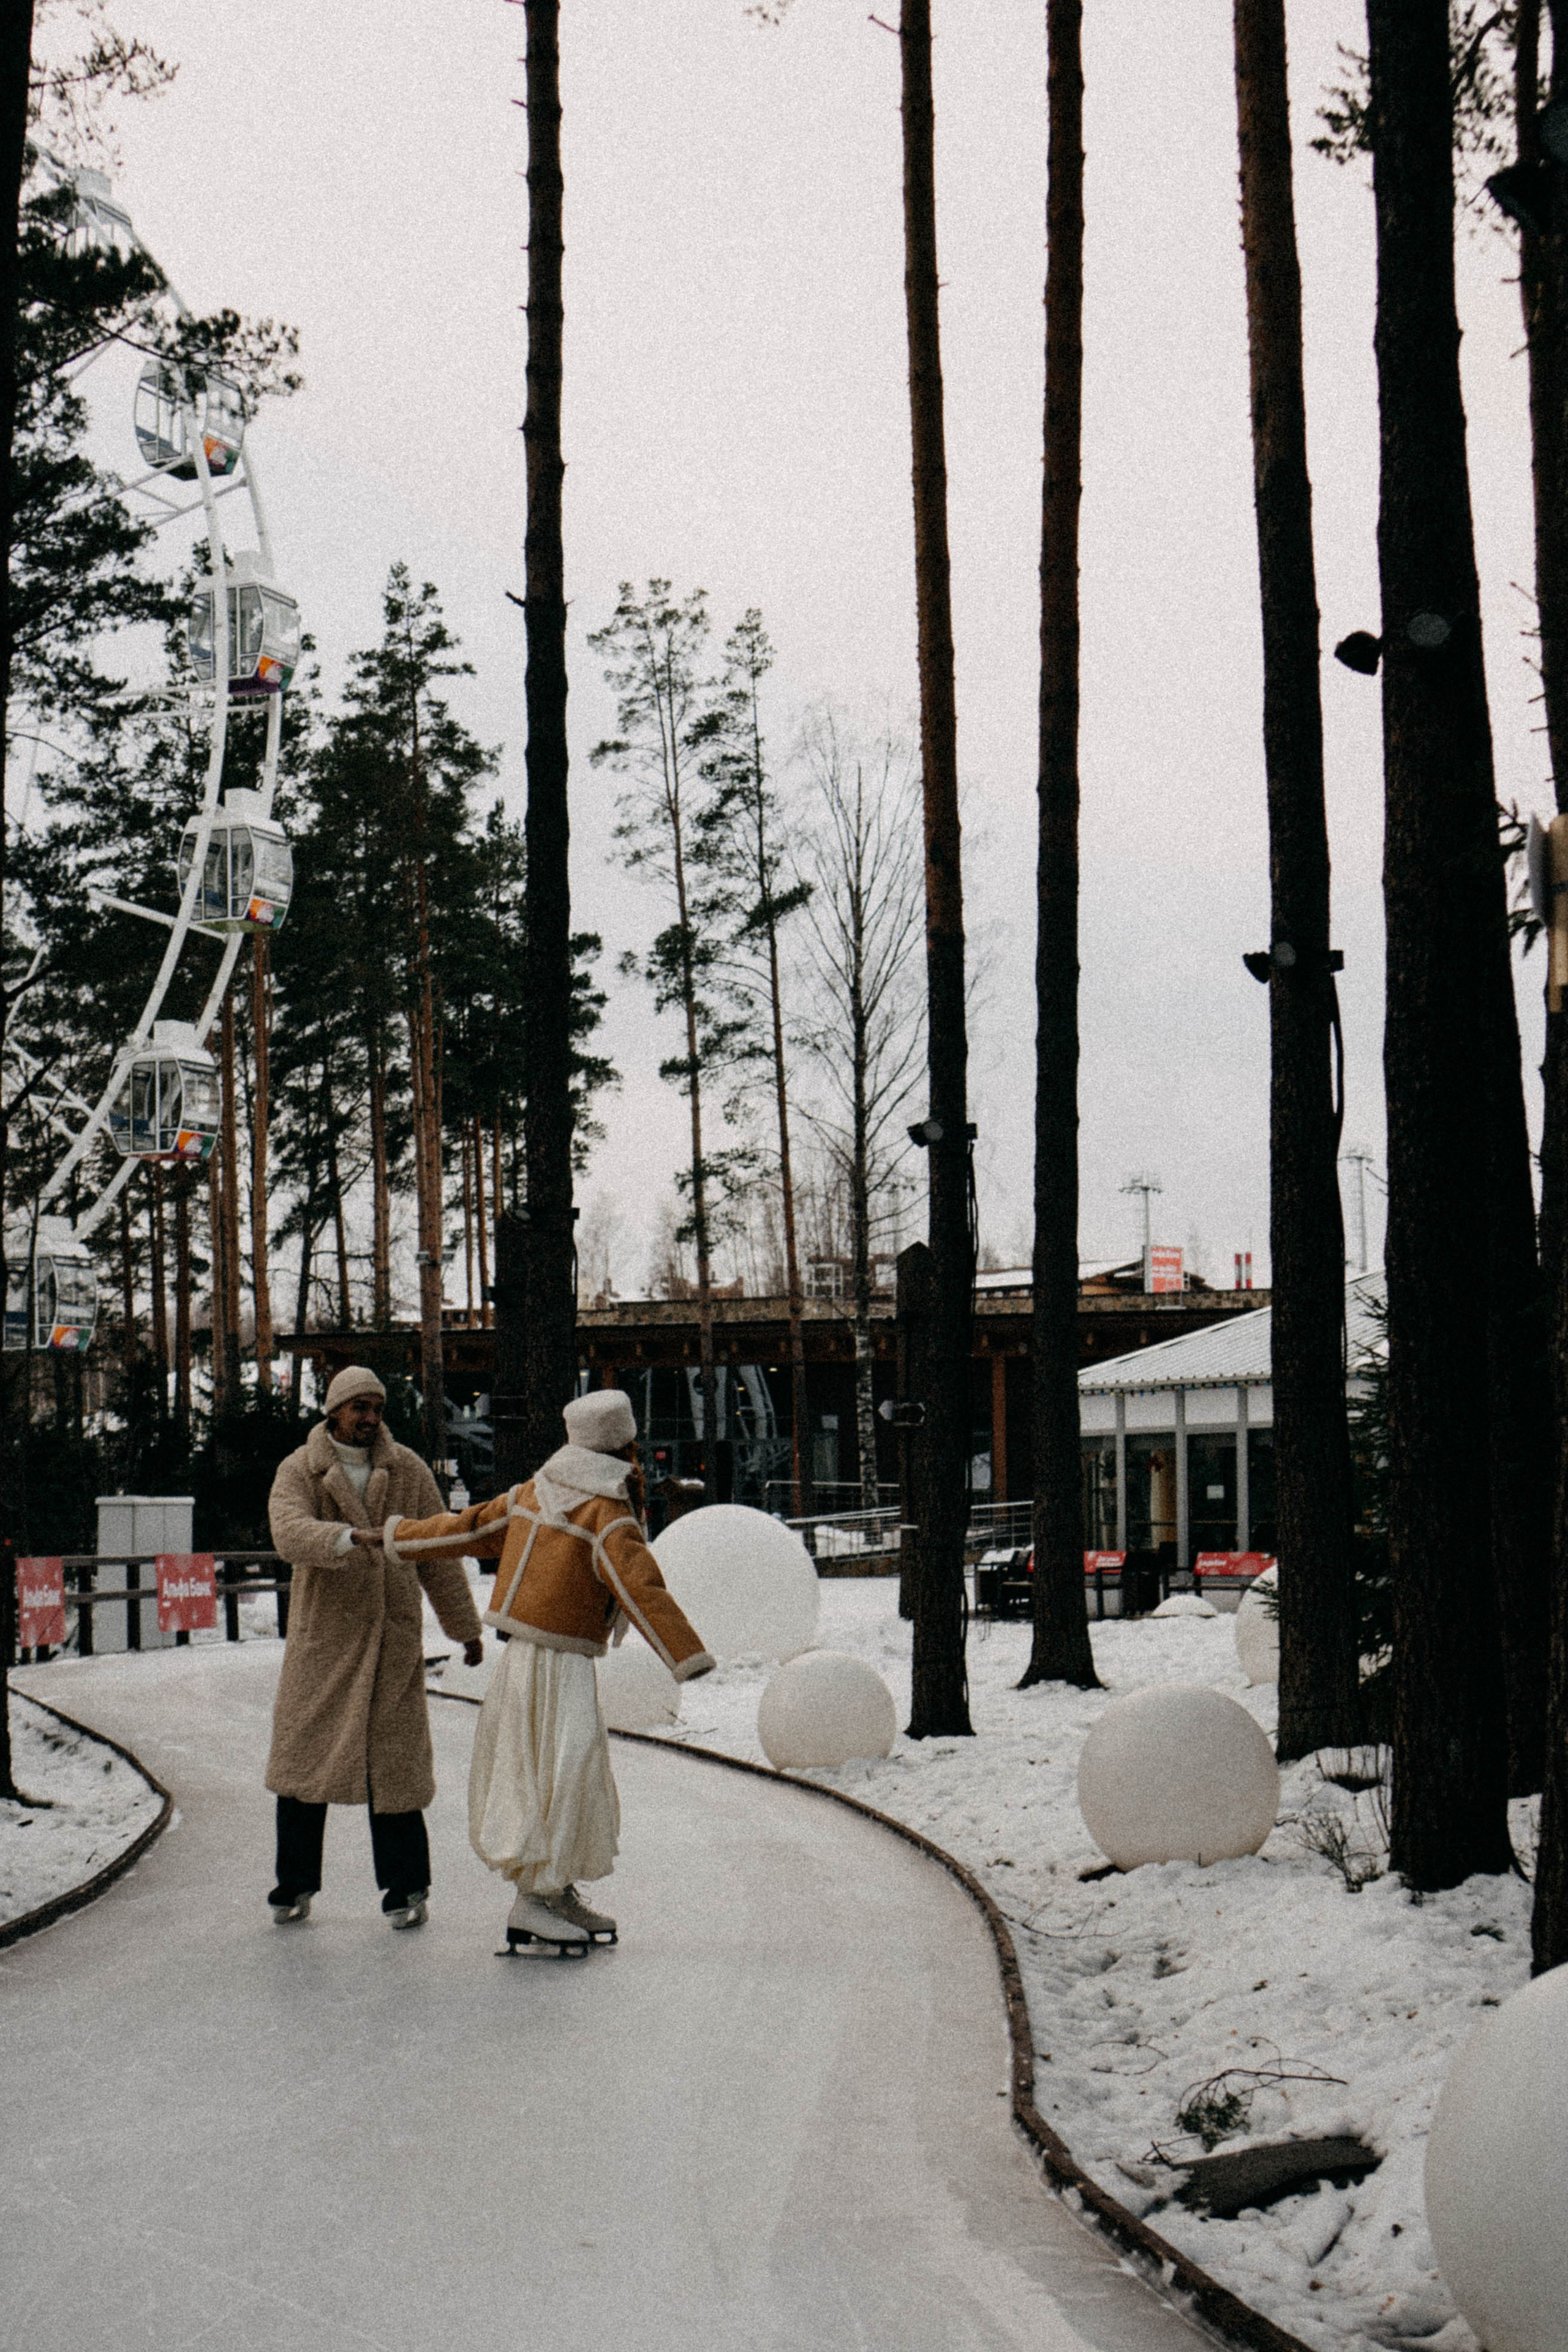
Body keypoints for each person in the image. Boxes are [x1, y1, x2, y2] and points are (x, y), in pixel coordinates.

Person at [375, 1388, 714, 1953]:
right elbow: (640, 1586)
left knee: (541, 1770)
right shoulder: (605, 1512)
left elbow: (465, 1528)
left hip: (526, 1660)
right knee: (564, 1772)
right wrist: (687, 1656)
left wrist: (396, 1536)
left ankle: (553, 1890)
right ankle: (534, 1901)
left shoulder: (535, 1491)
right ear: (623, 1444)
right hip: (562, 1664)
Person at [265, 1365, 484, 1929]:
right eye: (359, 1407)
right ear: (334, 1410)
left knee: (396, 1772)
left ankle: (407, 1888)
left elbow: (438, 1551)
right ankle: (294, 1883)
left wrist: (465, 1629)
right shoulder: (301, 1469)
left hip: (392, 1641)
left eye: (377, 1408)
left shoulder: (408, 1470)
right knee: (304, 1767)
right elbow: (288, 1532)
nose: (369, 1418)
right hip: (324, 1643)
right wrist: (347, 1537)